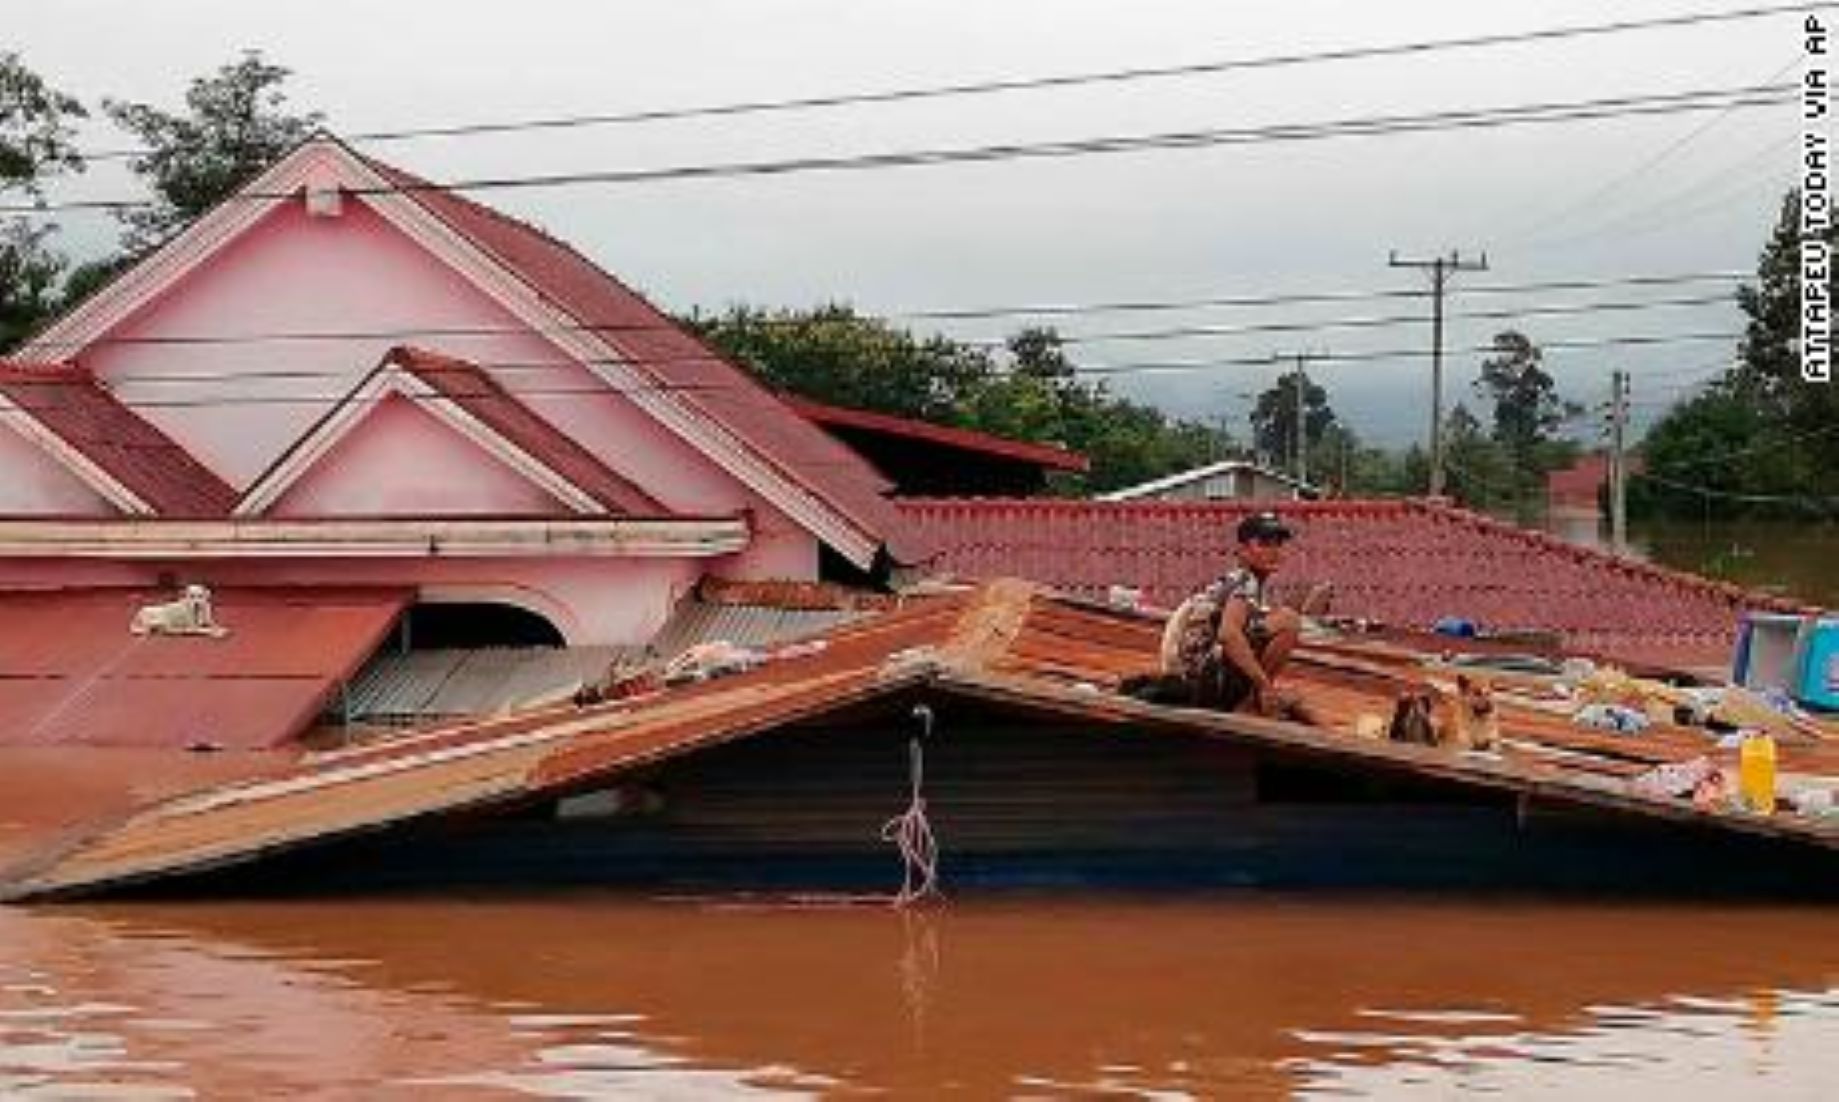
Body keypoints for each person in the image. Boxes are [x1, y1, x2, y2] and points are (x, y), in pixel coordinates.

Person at [1156, 510, 1324, 716]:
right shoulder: (1244, 582)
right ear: (1243, 550)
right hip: (1201, 682)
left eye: (1278, 544)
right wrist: (1264, 685)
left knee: (1279, 620)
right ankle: (1252, 702)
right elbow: (1228, 634)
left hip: (1193, 678)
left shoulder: (1239, 582)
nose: (1274, 551)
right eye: (1264, 544)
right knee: (1289, 621)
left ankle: (1256, 696)